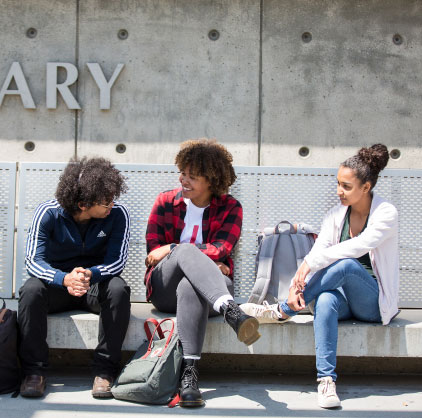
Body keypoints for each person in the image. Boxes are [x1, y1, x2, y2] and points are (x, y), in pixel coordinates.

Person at [241, 144, 398, 409]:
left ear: (366, 187)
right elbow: (318, 251)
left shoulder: (386, 213)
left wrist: (308, 266)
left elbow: (356, 247)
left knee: (346, 264)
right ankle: (326, 381)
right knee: (325, 299)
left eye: (347, 186)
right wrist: (297, 280)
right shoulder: (336, 215)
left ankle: (280, 312)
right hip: (343, 301)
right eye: (338, 184)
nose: (339, 191)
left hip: (373, 302)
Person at [145, 138, 260, 408]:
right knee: (183, 252)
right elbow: (154, 252)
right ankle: (232, 311)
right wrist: (178, 249)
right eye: (182, 173)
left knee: (190, 285)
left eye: (192, 177)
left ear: (211, 181)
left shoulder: (231, 208)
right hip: (163, 287)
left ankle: (190, 378)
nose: (184, 180)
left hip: (207, 290)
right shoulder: (164, 202)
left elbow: (223, 248)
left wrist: (176, 251)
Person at [18, 157, 131, 399]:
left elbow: (117, 261)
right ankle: (34, 373)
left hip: (94, 286)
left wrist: (92, 274)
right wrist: (63, 279)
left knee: (119, 290)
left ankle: (105, 372)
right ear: (83, 204)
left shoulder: (117, 214)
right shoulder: (48, 213)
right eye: (106, 201)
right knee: (30, 291)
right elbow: (32, 261)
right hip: (57, 286)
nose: (112, 204)